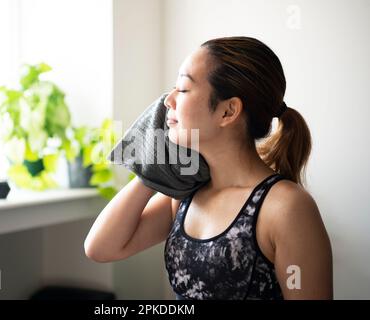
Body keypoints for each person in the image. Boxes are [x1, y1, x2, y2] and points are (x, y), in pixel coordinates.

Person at [84, 36, 333, 300]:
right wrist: (153, 170)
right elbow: (101, 248)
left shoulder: (286, 207)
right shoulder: (185, 194)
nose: (168, 100)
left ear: (228, 111)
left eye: (182, 89)